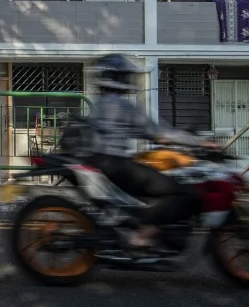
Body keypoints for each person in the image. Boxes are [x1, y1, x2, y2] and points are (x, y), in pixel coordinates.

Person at [85, 54, 199, 251]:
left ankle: (138, 225)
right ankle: (144, 233)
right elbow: (159, 134)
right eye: (124, 76)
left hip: (97, 162)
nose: (127, 80)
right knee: (183, 192)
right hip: (115, 164)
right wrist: (201, 142)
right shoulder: (123, 104)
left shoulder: (98, 104)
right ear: (117, 78)